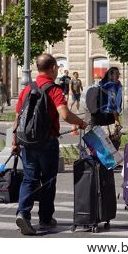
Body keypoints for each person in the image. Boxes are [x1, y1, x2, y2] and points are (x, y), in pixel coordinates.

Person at [12, 53, 88, 235]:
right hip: (47, 142)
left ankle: (23, 213)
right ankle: (45, 218)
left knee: (29, 179)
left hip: (28, 142)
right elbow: (64, 114)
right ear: (53, 68)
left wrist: (16, 142)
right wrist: (81, 123)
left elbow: (18, 117)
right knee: (48, 180)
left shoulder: (27, 88)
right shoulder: (53, 89)